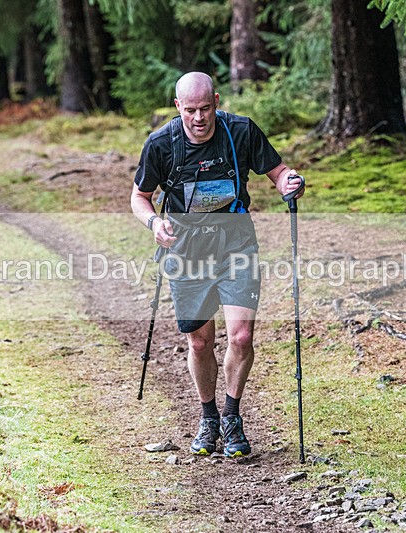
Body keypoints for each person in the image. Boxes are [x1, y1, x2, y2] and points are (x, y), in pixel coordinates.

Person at [130, 71, 304, 457]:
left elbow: (277, 172)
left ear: (217, 102)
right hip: (186, 252)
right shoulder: (161, 144)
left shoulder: (240, 132)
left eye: (205, 108)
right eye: (190, 110)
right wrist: (154, 223)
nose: (198, 118)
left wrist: (289, 183)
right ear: (178, 107)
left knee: (241, 336)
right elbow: (139, 196)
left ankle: (232, 415)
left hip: (236, 245)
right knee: (200, 340)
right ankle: (207, 417)